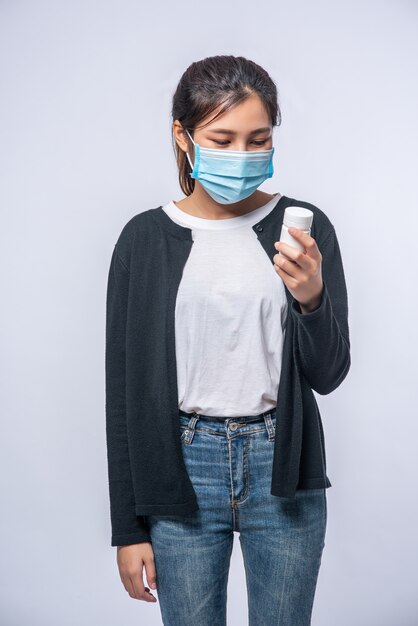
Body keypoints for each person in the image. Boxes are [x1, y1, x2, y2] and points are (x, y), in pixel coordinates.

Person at [105, 54, 351, 626]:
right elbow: (124, 395)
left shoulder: (303, 226)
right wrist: (128, 527)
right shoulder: (143, 239)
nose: (242, 156)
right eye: (223, 138)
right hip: (182, 468)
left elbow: (329, 374)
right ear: (184, 136)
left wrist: (312, 298)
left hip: (281, 466)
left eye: (258, 139)